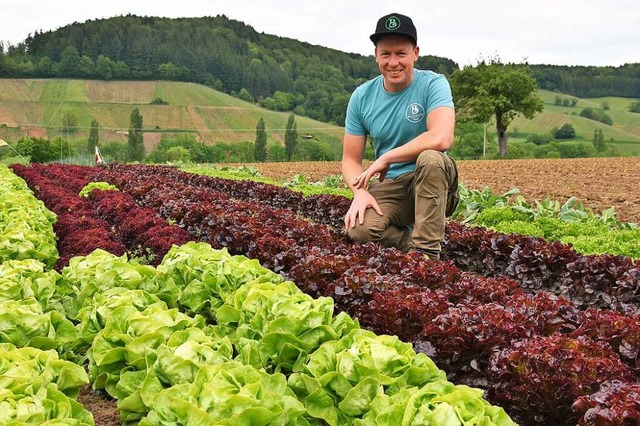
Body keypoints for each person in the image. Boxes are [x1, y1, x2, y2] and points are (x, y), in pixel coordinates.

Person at [342, 12, 459, 260]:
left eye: (401, 54)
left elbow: (441, 138)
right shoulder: (362, 97)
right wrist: (360, 192)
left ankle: (426, 255)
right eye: (386, 54)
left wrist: (388, 157)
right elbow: (350, 160)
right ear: (376, 55)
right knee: (359, 230)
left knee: (431, 158)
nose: (393, 62)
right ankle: (411, 242)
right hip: (392, 185)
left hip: (431, 180)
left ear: (415, 53)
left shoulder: (433, 84)